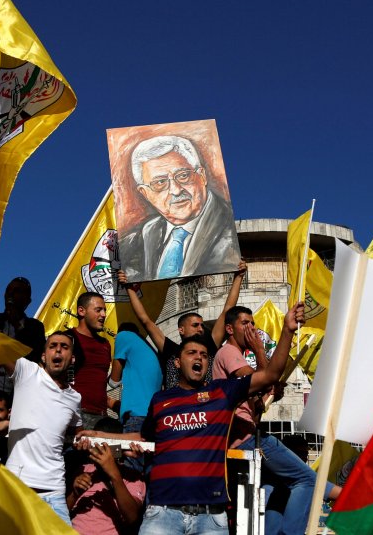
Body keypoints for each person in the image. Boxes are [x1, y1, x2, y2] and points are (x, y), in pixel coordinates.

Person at [85, 302, 305, 535]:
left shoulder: (223, 393)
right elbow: (143, 437)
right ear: (178, 363)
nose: (198, 357)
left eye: (203, 355)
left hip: (211, 519)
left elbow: (270, 374)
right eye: (191, 353)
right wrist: (100, 435)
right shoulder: (160, 400)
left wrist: (287, 331)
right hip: (161, 514)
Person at [213, 306, 341, 535]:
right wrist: (260, 351)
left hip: (244, 435)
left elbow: (257, 397)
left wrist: (266, 396)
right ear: (230, 329)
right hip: (246, 439)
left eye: (253, 323)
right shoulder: (228, 353)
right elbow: (262, 378)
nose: (251, 328)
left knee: (277, 487)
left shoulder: (236, 358)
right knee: (307, 480)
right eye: (245, 323)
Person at [119, 135, 241, 281]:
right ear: (145, 193)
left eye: (183, 175)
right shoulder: (138, 239)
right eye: (160, 182)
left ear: (202, 176)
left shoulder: (228, 230)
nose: (176, 190)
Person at [118, 261, 246, 390]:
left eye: (202, 325)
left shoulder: (210, 346)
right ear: (181, 329)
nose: (201, 329)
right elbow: (145, 320)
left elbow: (227, 309)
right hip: (176, 407)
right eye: (195, 325)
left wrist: (239, 277)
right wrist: (129, 287)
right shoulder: (170, 350)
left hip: (205, 406)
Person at [4, 332, 82, 525]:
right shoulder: (27, 371)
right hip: (17, 488)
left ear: (72, 359)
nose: (58, 350)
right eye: (52, 346)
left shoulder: (75, 398)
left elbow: (80, 434)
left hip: (54, 493)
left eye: (64, 347)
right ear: (43, 356)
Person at [67, 418, 145, 535]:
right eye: (95, 445)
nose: (99, 450)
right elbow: (61, 511)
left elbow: (132, 518)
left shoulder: (132, 477)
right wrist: (74, 493)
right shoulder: (84, 469)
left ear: (118, 447)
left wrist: (113, 474)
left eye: (106, 446)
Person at [0, 277, 46, 401]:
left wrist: (18, 325)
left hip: (19, 397)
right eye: (9, 290)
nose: (11, 294)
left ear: (28, 300)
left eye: (18, 291)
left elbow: (33, 357)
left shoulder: (35, 327)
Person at [69, 292, 116, 430]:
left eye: (105, 310)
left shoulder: (105, 344)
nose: (103, 315)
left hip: (102, 417)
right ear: (81, 311)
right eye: (98, 310)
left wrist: (114, 404)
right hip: (76, 415)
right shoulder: (67, 339)